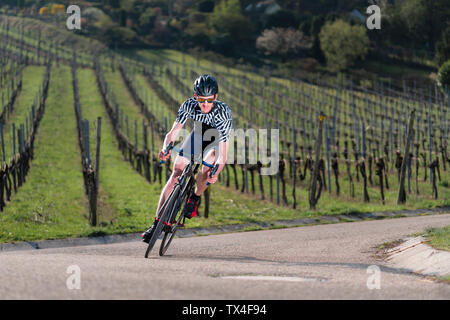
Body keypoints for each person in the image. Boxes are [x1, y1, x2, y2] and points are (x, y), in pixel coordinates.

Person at [142, 74, 233, 243]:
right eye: (201, 99)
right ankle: (156, 224)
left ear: (216, 97)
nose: (205, 104)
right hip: (199, 133)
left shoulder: (223, 113)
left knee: (208, 168)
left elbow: (223, 155)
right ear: (195, 97)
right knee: (176, 173)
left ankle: (195, 197)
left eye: (210, 100)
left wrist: (216, 173)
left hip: (217, 140)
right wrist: (165, 148)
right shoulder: (189, 106)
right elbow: (173, 132)